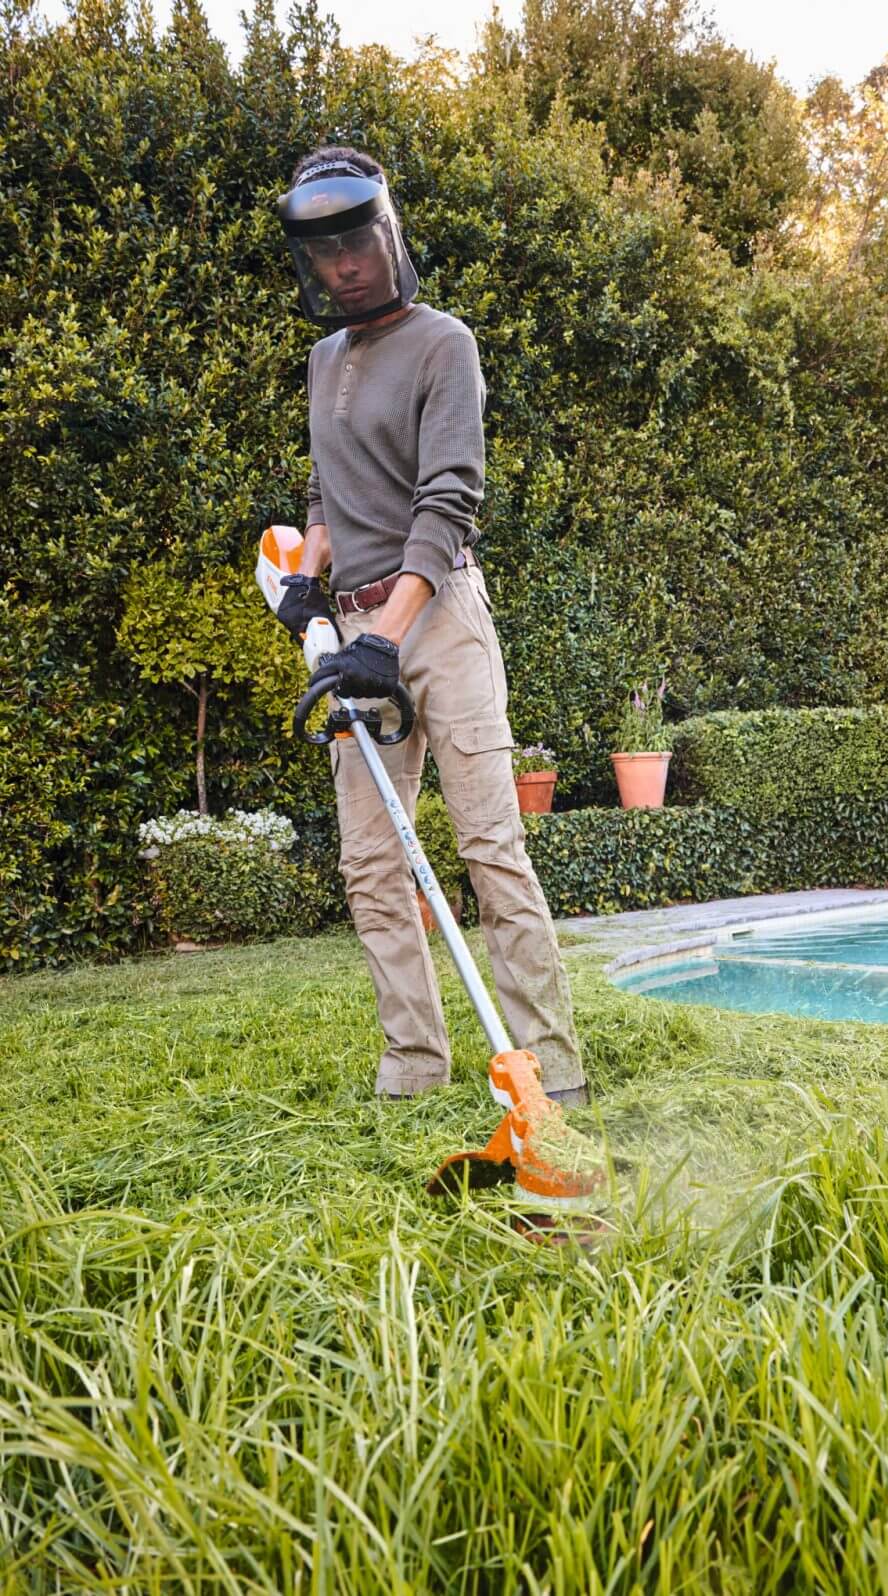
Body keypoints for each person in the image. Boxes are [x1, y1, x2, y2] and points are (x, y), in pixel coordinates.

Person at [274, 145, 588, 1105]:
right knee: (370, 862)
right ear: (311, 263)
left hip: (439, 620)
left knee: (489, 839)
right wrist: (309, 578)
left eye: (358, 242)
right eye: (324, 253)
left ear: (389, 235)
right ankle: (412, 1067)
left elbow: (446, 502)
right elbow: (330, 493)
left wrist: (387, 633)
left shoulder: (445, 342)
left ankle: (553, 1073)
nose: (345, 267)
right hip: (356, 632)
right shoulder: (323, 358)